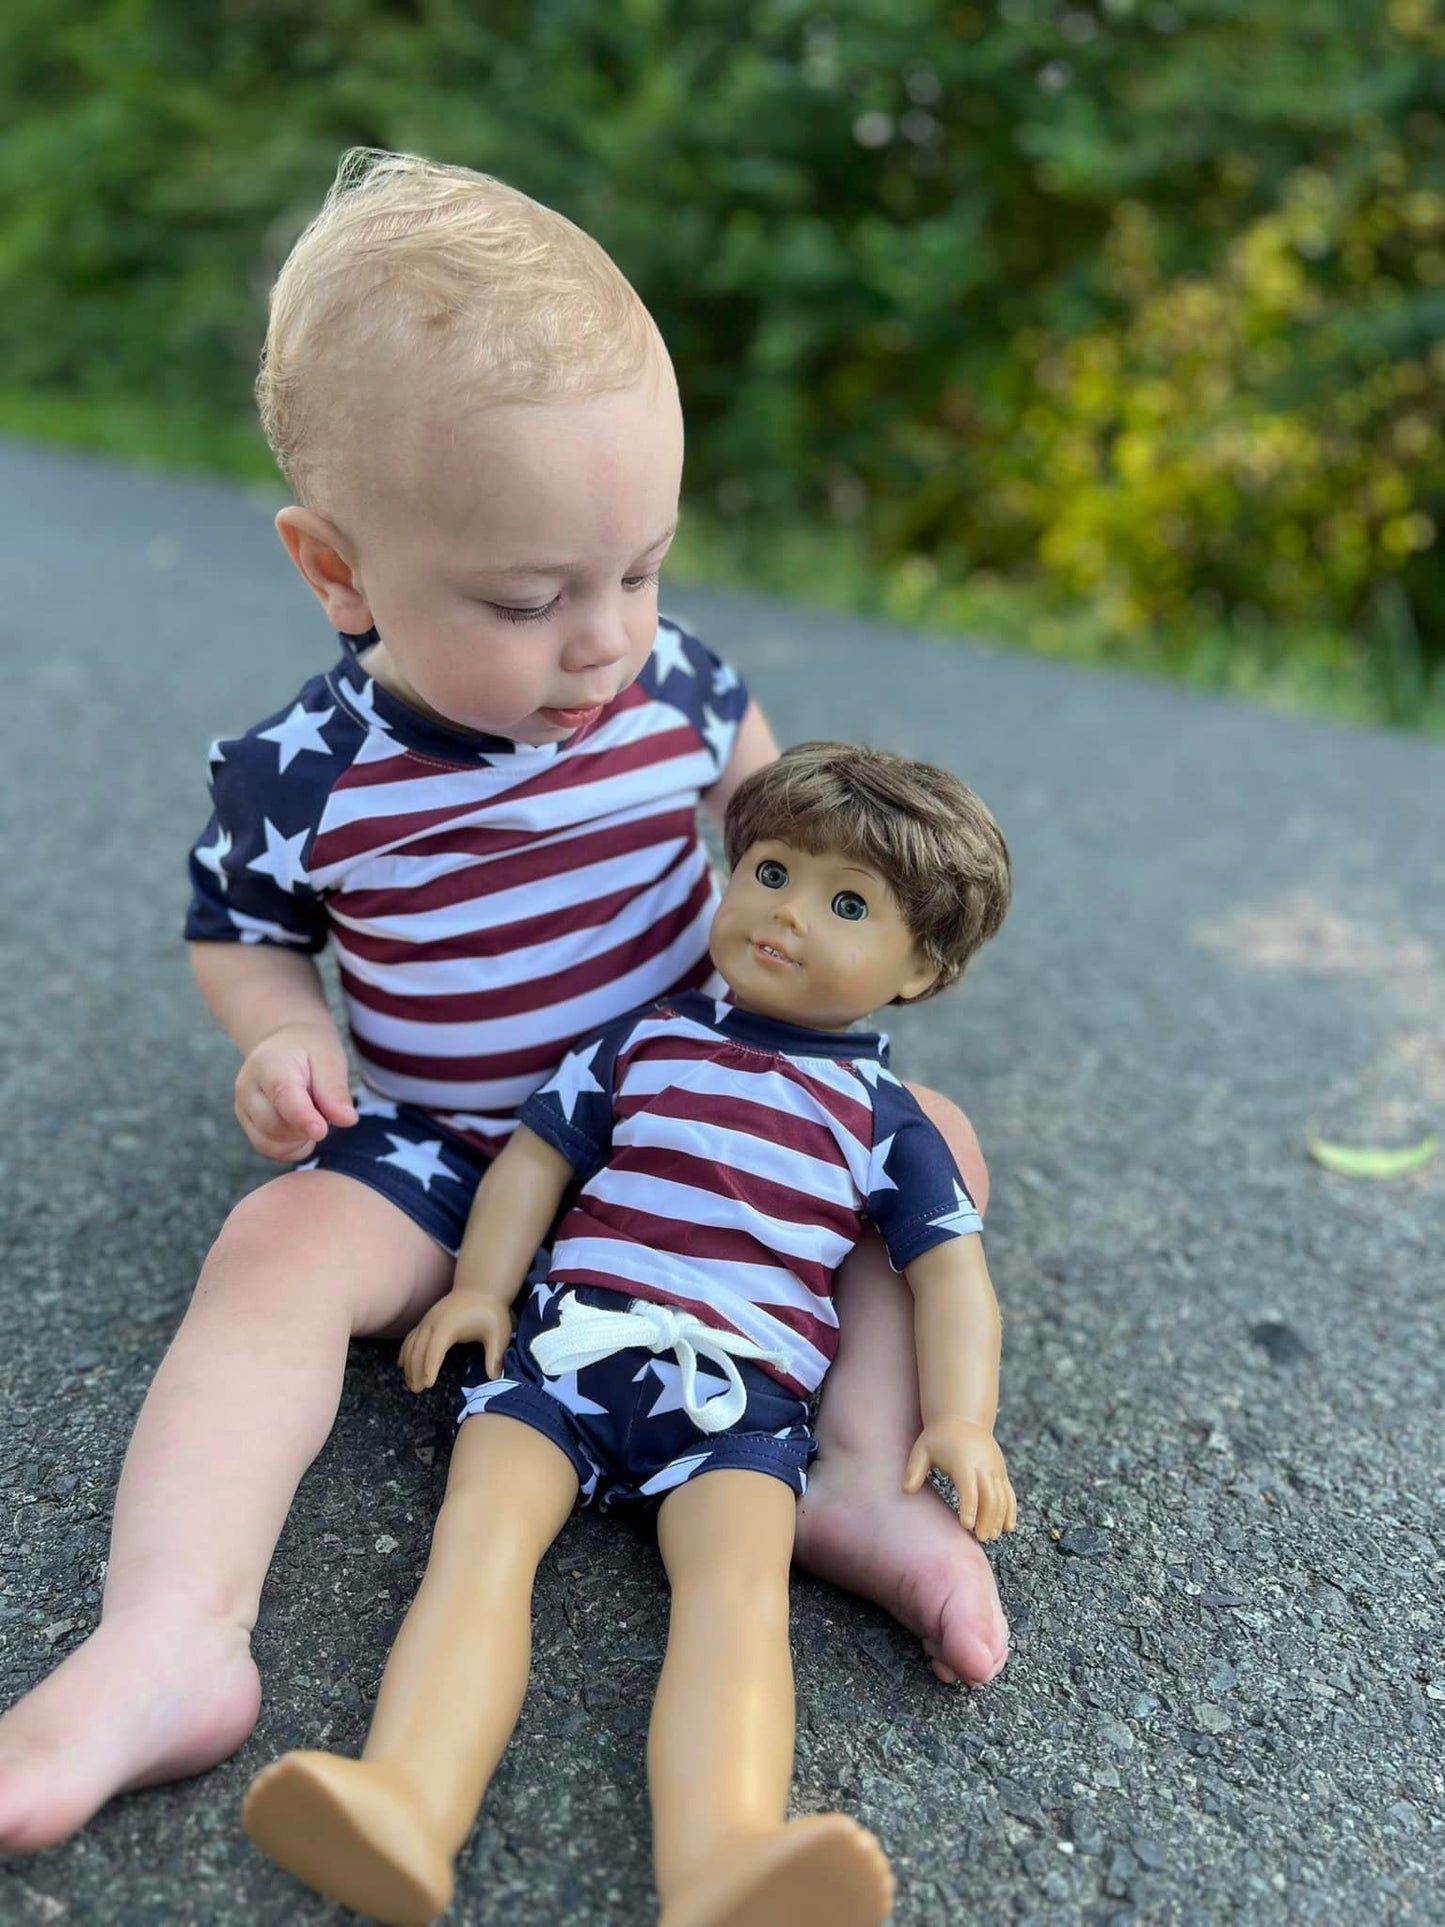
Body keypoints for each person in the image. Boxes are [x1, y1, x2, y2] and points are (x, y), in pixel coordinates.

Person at [0, 151, 1008, 1858]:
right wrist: (283, 1033)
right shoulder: (308, 773)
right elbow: (239, 933)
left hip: (693, 1121)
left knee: (937, 1157)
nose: (603, 639)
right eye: (530, 599)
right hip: (451, 1143)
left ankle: (857, 1469)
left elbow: (773, 830)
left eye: (642, 568)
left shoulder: (679, 686)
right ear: (340, 572)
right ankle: (168, 1637)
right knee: (270, 1252)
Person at [243, 742, 1018, 1927]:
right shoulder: (644, 1039)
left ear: (920, 968)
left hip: (733, 1402)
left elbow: (950, 1276)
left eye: (847, 904)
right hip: (564, 1357)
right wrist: (481, 1290)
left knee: (735, 1591)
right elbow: (533, 1162)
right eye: (769, 872)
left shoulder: (883, 1120)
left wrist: (961, 1417)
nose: (785, 913)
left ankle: (723, 1854)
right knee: (478, 1540)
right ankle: (404, 1799)